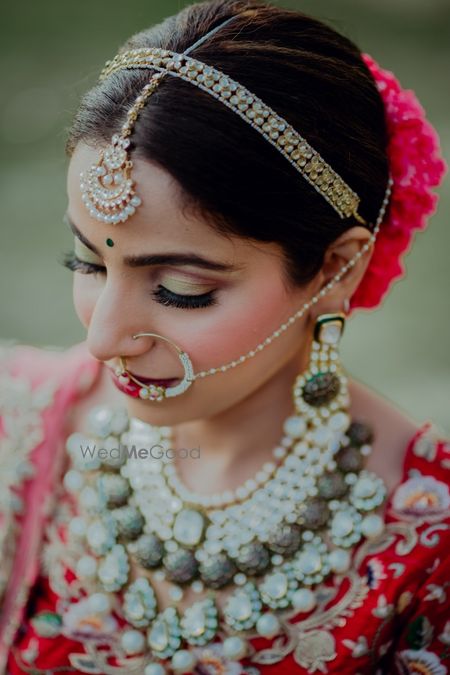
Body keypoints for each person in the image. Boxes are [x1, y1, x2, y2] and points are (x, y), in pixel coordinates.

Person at [0, 0, 448, 673]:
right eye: (87, 261)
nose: (104, 338)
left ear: (337, 266)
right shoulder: (20, 426)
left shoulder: (428, 540)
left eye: (181, 289)